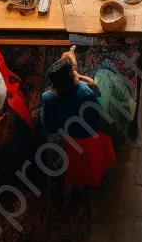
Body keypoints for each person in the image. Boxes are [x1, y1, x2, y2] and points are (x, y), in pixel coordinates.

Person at [40, 49, 116, 188]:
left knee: (78, 164)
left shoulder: (47, 97)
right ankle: (96, 179)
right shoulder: (85, 92)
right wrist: (85, 78)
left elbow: (49, 126)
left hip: (71, 138)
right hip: (90, 136)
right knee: (93, 161)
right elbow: (98, 114)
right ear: (73, 78)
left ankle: (81, 180)